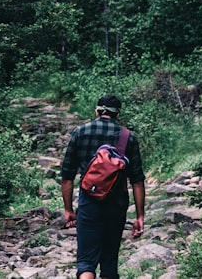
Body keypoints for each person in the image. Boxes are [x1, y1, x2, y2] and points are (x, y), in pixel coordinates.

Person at [59, 94, 145, 279]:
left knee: (86, 262)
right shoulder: (128, 137)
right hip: (117, 204)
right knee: (109, 262)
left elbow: (67, 177)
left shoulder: (80, 132)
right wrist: (140, 215)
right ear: (118, 115)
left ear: (97, 111)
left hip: (89, 203)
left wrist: (68, 210)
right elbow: (137, 180)